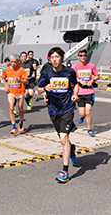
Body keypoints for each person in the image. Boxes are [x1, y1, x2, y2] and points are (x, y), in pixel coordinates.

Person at [37, 47, 79, 183]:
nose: (54, 59)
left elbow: (76, 84)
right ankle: (71, 148)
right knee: (64, 140)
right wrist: (44, 88)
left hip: (67, 108)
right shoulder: (46, 73)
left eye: (57, 57)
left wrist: (75, 94)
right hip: (53, 110)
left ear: (62, 58)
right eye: (52, 57)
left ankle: (65, 171)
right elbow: (38, 90)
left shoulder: (69, 72)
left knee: (63, 139)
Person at [72, 49, 100, 137]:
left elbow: (97, 75)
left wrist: (92, 80)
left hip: (89, 91)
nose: (83, 57)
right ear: (78, 57)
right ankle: (82, 116)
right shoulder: (74, 67)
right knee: (82, 113)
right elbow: (71, 77)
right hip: (80, 92)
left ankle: (89, 129)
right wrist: (79, 80)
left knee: (88, 112)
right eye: (81, 55)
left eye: (84, 55)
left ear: (86, 56)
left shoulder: (91, 65)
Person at [2, 54, 29, 134]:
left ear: (18, 62)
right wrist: (5, 86)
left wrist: (20, 80)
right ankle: (14, 126)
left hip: (20, 91)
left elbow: (27, 81)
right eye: (11, 62)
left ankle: (21, 122)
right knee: (11, 108)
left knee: (20, 108)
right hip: (11, 91)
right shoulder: (7, 69)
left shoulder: (21, 70)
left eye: (15, 62)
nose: (13, 63)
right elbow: (3, 77)